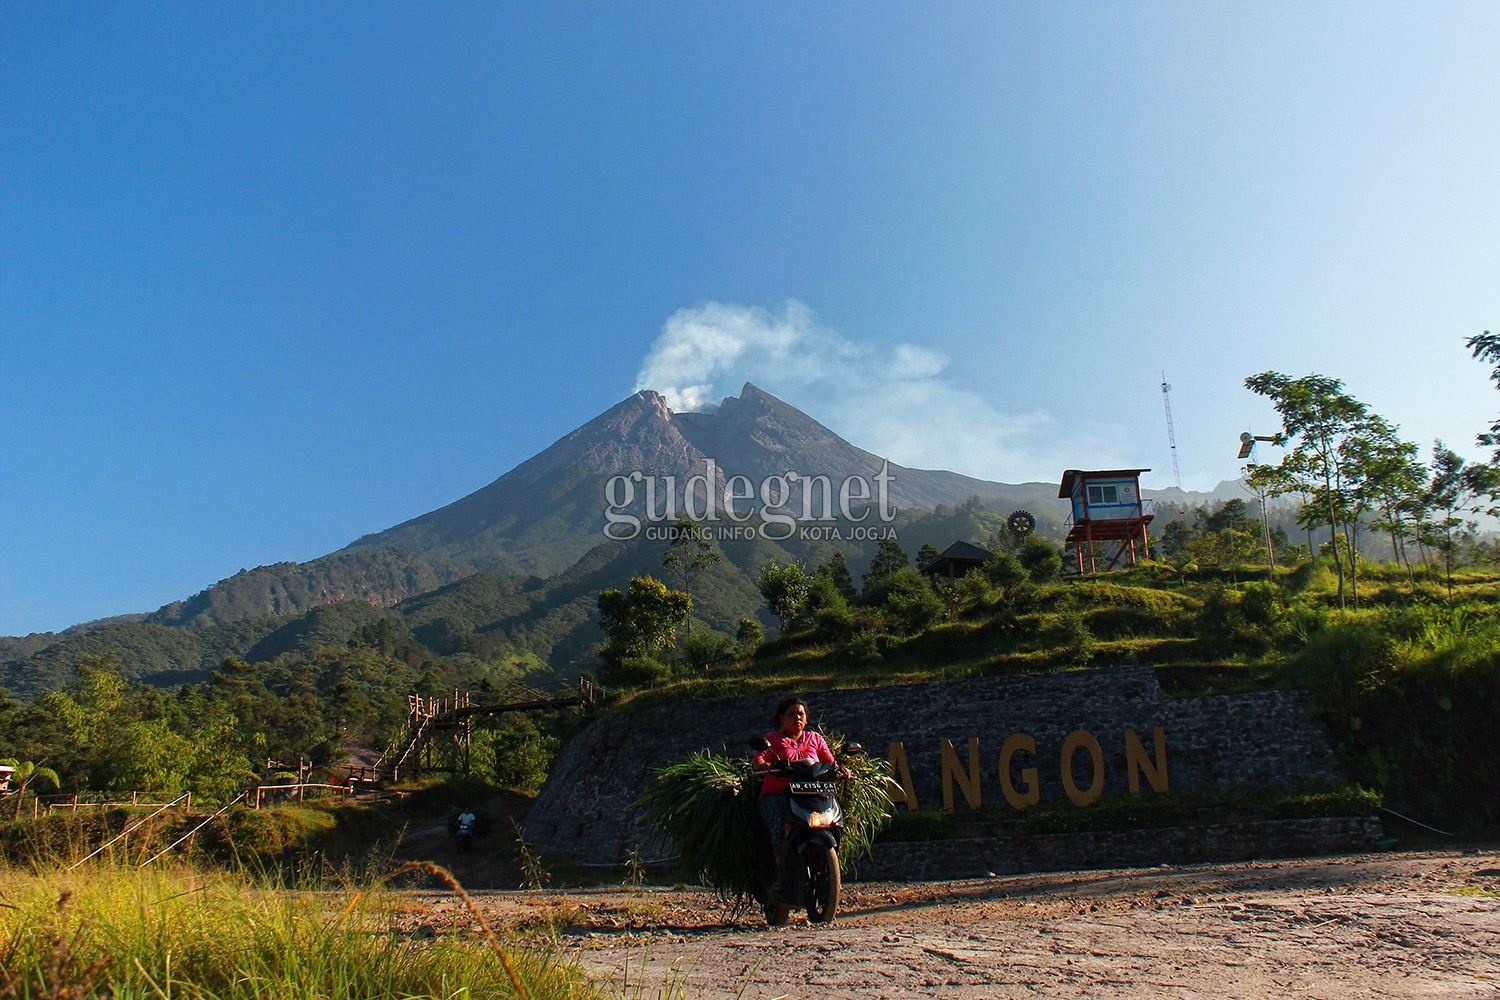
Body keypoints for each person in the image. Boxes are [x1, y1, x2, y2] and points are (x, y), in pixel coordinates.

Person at [753, 695, 839, 884]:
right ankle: (779, 874)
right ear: (782, 718)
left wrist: (841, 770)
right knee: (779, 822)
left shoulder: (815, 738)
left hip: (809, 794)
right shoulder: (773, 739)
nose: (797, 718)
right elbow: (760, 757)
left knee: (834, 819)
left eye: (801, 714)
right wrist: (763, 765)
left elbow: (830, 761)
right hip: (778, 795)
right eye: (791, 714)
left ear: (806, 719)